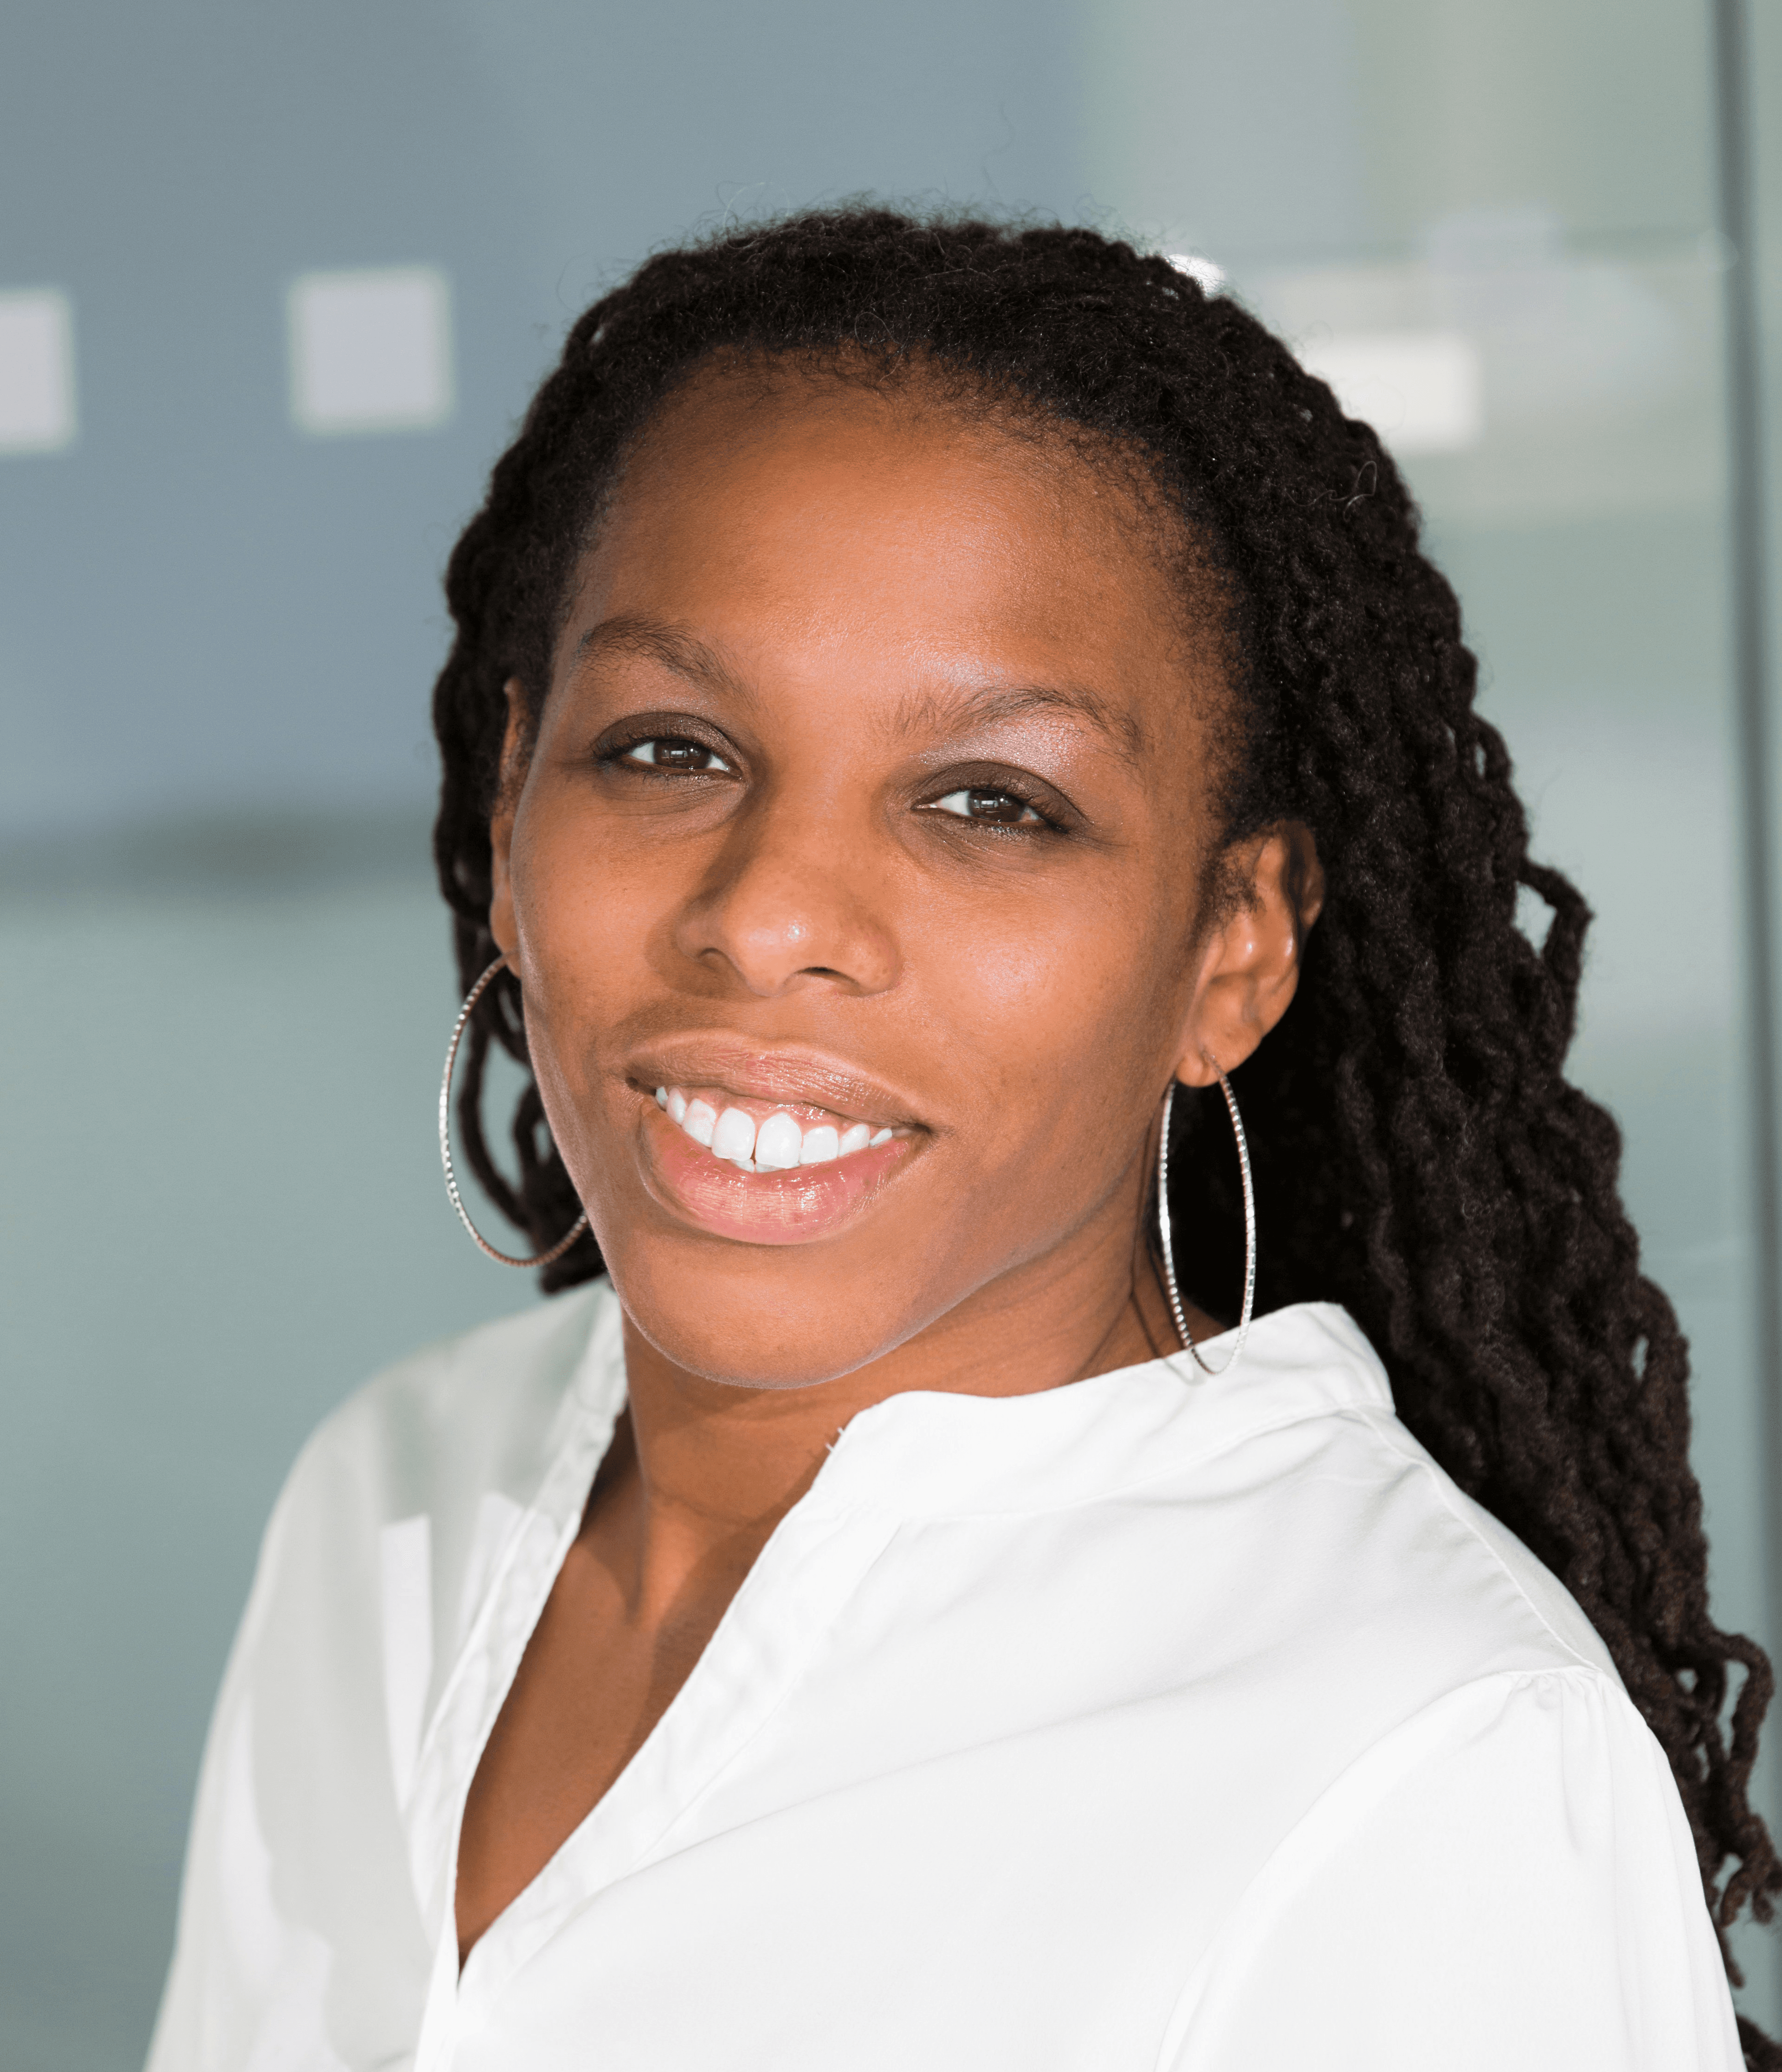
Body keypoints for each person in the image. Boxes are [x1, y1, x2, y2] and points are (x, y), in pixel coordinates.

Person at [147, 208, 1779, 2071]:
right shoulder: (392, 1503)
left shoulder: (1416, 1756)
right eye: (672, 750)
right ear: (515, 802)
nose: (769, 917)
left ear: (1231, 949)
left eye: (990, 802)